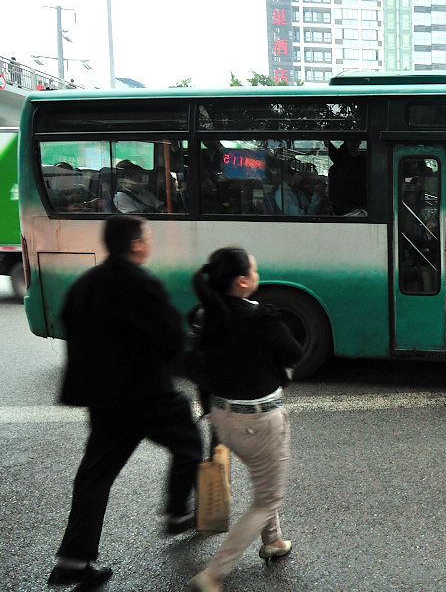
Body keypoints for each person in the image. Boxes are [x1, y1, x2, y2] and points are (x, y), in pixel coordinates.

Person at [48, 215, 202, 588]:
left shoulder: (86, 282)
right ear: (135, 244)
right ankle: (178, 513)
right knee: (190, 445)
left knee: (95, 475)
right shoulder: (141, 283)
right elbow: (170, 338)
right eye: (147, 236)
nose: (149, 241)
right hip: (147, 394)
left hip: (104, 399)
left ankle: (74, 560)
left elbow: (69, 323)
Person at [188, 247, 303, 592]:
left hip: (222, 419)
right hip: (260, 421)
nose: (257, 274)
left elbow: (200, 368)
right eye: (254, 270)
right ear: (242, 282)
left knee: (263, 479)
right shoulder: (260, 316)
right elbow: (294, 354)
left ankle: (274, 541)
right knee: (267, 498)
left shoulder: (207, 315)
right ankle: (213, 574)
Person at [326, 139, 366, 214]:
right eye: (350, 141)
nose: (353, 144)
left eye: (355, 141)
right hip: (343, 203)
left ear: (360, 142)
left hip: (361, 201)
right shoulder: (341, 161)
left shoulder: (365, 161)